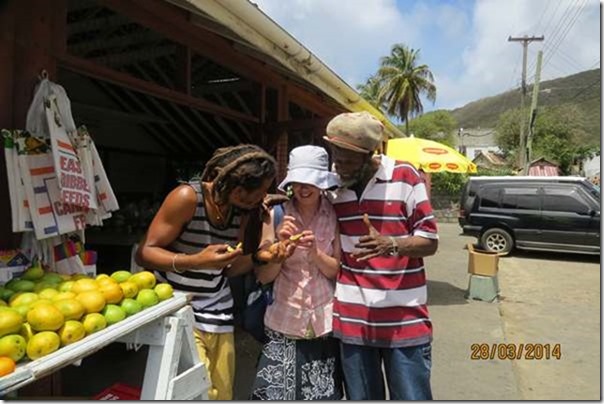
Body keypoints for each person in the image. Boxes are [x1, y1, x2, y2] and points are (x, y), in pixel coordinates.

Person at [135, 144, 277, 400]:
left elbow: (231, 269)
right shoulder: (187, 197)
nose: (255, 199)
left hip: (218, 310)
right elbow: (145, 252)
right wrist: (196, 261)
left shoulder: (242, 210)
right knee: (195, 393)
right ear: (225, 178)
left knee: (221, 394)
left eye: (261, 193)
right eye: (247, 193)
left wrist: (258, 257)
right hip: (179, 308)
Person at [323, 111, 439, 400]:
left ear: (370, 155)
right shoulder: (333, 185)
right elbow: (304, 202)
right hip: (353, 320)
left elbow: (430, 240)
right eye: (336, 157)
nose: (340, 166)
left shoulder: (405, 176)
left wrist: (391, 244)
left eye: (348, 160)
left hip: (404, 321)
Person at [250, 145, 344, 400]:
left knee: (321, 396)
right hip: (284, 319)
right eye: (298, 182)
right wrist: (280, 252)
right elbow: (264, 277)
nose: (303, 189)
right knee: (274, 396)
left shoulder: (334, 214)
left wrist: (315, 254)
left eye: (311, 182)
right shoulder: (276, 214)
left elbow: (337, 270)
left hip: (323, 322)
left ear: (322, 182)